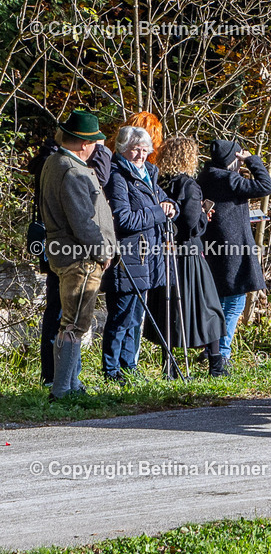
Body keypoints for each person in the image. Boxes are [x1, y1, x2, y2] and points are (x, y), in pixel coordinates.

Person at [38, 110, 117, 400]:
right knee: (75, 323)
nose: (96, 148)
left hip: (67, 254)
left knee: (71, 322)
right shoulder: (72, 170)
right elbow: (82, 221)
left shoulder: (54, 162)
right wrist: (103, 251)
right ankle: (63, 390)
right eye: (94, 142)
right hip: (80, 258)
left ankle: (70, 385)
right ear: (84, 143)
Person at [101, 126, 177, 383]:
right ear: (123, 149)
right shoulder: (118, 176)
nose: (141, 155)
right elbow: (123, 219)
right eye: (135, 149)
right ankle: (112, 371)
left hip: (147, 256)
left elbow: (167, 202)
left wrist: (171, 207)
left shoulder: (148, 173)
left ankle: (129, 367)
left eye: (145, 150)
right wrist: (159, 211)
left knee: (135, 318)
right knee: (120, 317)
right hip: (127, 256)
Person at [150, 136, 229, 377]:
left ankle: (170, 367)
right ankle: (216, 366)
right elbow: (192, 225)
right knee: (209, 308)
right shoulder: (188, 185)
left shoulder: (158, 182)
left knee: (170, 309)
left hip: (164, 253)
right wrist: (204, 214)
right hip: (189, 255)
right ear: (188, 158)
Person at [196, 140, 271, 364]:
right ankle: (221, 352)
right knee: (235, 302)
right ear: (232, 160)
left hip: (213, 247)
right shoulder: (230, 179)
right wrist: (252, 160)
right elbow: (267, 186)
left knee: (219, 301)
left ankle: (211, 348)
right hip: (233, 249)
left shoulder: (205, 177)